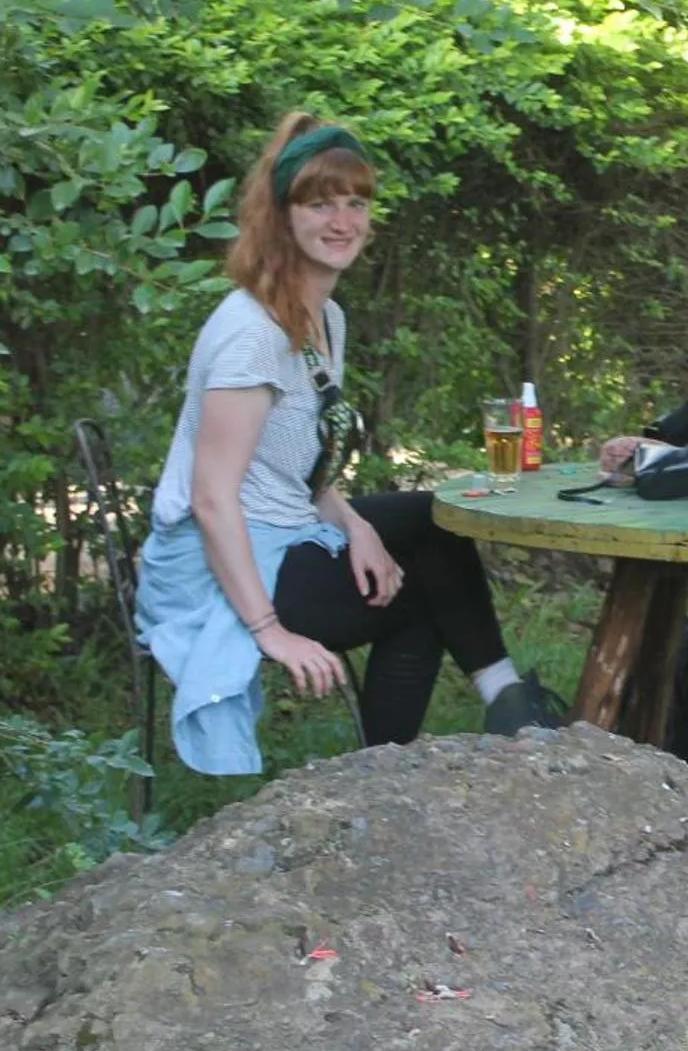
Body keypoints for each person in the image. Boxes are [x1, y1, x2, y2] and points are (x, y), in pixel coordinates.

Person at [134, 112, 564, 775]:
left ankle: (479, 714)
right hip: (216, 566)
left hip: (279, 528)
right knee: (416, 592)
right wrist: (267, 631)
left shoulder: (324, 316)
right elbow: (212, 497)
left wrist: (357, 527)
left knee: (426, 524)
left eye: (356, 202)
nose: (342, 221)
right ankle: (396, 768)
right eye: (320, 204)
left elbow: (292, 467)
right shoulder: (256, 334)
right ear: (282, 216)